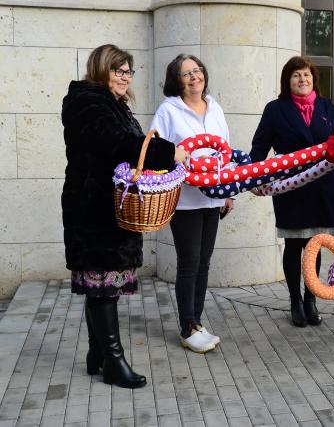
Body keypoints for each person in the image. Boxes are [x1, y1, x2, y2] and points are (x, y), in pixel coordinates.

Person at [61, 44, 188, 388]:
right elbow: (118, 144)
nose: (124, 77)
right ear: (101, 70)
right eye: (118, 70)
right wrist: (169, 152)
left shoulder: (112, 103)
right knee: (102, 286)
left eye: (128, 71)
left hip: (104, 206)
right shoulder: (90, 102)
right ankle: (113, 361)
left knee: (100, 286)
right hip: (94, 209)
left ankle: (97, 354)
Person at [150, 54, 234, 353]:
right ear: (177, 80)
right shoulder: (168, 110)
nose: (194, 76)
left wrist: (229, 192)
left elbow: (226, 149)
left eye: (197, 70)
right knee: (189, 263)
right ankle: (187, 327)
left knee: (204, 262)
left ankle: (197, 321)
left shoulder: (215, 107)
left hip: (213, 197)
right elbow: (156, 148)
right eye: (186, 73)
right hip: (184, 199)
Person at [250, 56, 334, 327]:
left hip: (322, 186)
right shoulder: (275, 109)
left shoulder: (327, 106)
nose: (302, 80)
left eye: (307, 75)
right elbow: (260, 146)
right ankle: (294, 300)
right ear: (287, 81)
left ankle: (311, 298)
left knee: (315, 244)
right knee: (293, 245)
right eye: (296, 75)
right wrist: (253, 177)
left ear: (314, 79)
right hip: (290, 186)